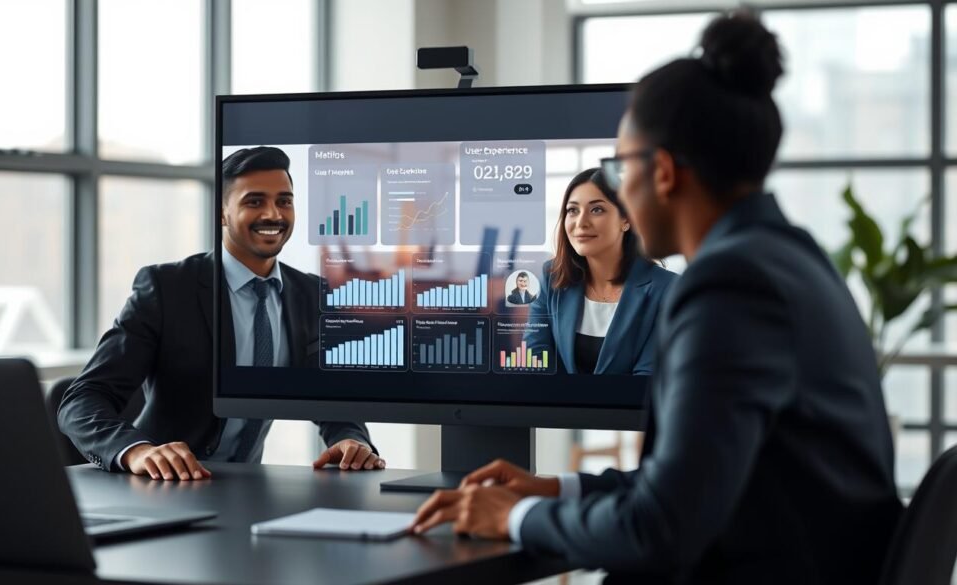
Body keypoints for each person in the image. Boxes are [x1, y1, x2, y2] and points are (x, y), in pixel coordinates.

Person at [410, 12, 901, 584]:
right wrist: (553, 487)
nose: (610, 199)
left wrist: (518, 517)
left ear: (663, 172)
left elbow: (660, 528)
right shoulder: (789, 257)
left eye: (621, 171)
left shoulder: (730, 288)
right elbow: (687, 483)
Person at [58, 147, 384, 481]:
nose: (273, 214)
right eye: (254, 201)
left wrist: (350, 439)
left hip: (245, 487)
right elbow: (81, 402)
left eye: (284, 201)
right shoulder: (167, 288)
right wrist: (137, 451)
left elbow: (329, 399)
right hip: (159, 484)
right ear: (222, 213)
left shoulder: (310, 295)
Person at [523, 168, 676, 375]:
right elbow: (536, 356)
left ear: (626, 220)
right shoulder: (551, 277)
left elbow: (647, 379)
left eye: (597, 210)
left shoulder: (666, 289)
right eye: (572, 210)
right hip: (557, 407)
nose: (581, 222)